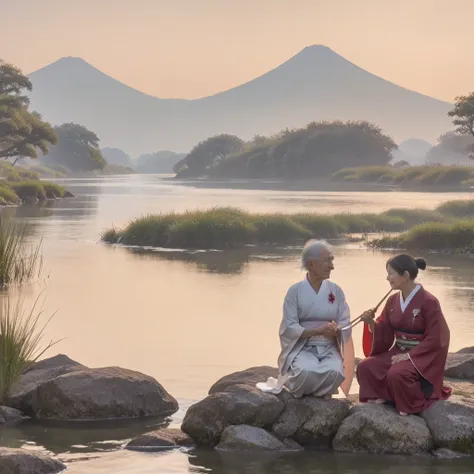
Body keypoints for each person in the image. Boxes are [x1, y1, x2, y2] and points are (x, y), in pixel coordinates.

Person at [357, 254, 452, 415]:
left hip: (420, 356)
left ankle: (411, 402)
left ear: (406, 275)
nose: (388, 278)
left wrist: (409, 356)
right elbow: (386, 329)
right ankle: (384, 395)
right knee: (365, 366)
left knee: (397, 374)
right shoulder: (392, 300)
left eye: (391, 273)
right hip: (397, 350)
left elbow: (438, 337)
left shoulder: (429, 301)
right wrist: (372, 324)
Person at [258, 239, 354, 398]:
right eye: (327, 261)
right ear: (311, 265)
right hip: (302, 346)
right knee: (305, 372)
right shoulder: (294, 291)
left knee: (335, 373)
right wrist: (317, 331)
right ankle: (293, 381)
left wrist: (336, 330)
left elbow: (345, 321)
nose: (332, 266)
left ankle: (314, 389)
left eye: (331, 260)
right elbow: (289, 326)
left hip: (329, 347)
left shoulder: (335, 290)